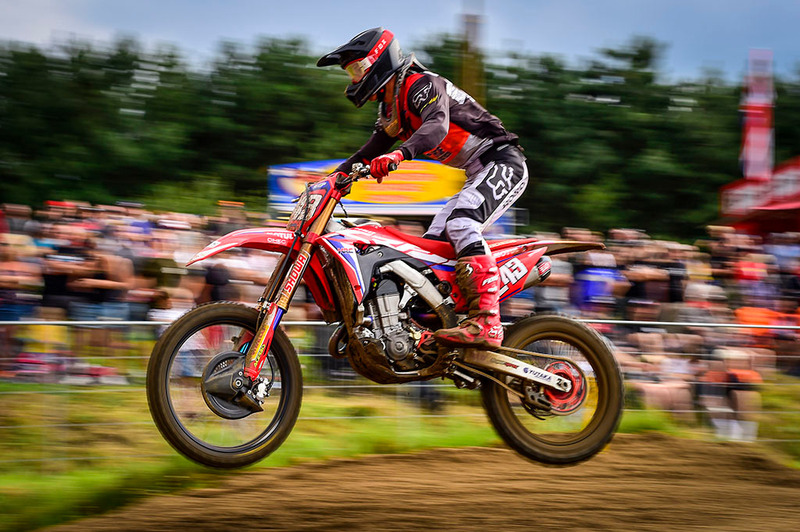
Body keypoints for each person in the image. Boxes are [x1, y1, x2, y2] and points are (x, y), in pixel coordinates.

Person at [317, 28, 528, 348]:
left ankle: (488, 322)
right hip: (475, 172)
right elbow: (369, 151)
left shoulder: (420, 84)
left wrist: (400, 154)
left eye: (357, 68)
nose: (354, 77)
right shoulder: (390, 109)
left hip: (501, 161)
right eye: (351, 72)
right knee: (429, 249)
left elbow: (436, 125)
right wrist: (329, 181)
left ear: (379, 60)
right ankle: (441, 319)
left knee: (461, 223)